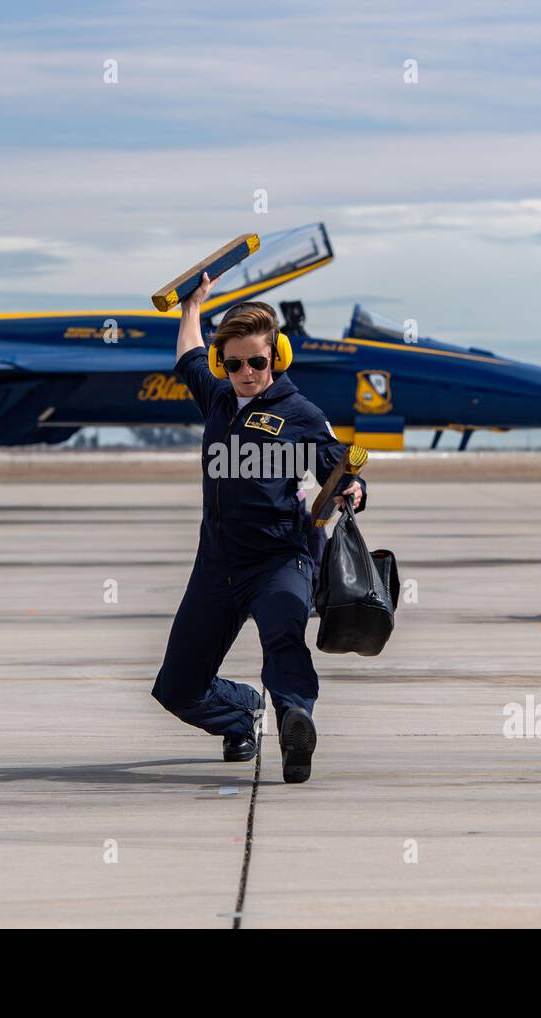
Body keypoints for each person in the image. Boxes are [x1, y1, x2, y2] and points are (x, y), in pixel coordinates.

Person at [150, 271, 367, 783]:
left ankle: (297, 724)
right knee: (177, 688)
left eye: (256, 361)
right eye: (234, 363)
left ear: (277, 357)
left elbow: (340, 469)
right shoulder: (219, 398)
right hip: (217, 567)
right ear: (221, 364)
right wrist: (192, 306)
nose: (246, 372)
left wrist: (353, 490)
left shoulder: (301, 414)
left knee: (284, 642)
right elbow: (187, 354)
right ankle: (242, 713)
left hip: (280, 560)